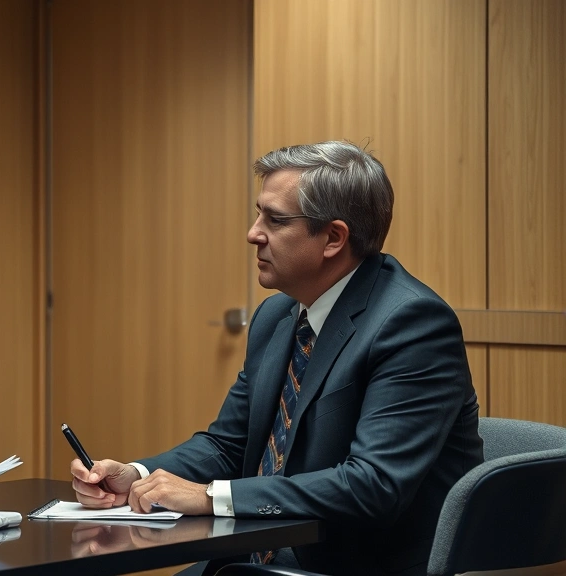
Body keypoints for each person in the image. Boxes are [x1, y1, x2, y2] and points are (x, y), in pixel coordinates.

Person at [71, 141, 483, 575]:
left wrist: (212, 497)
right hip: (260, 553)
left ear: (334, 238)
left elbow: (373, 486)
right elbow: (228, 444)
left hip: (354, 563)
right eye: (258, 213)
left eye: (276, 220)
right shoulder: (277, 315)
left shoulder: (412, 323)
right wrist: (139, 476)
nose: (254, 232)